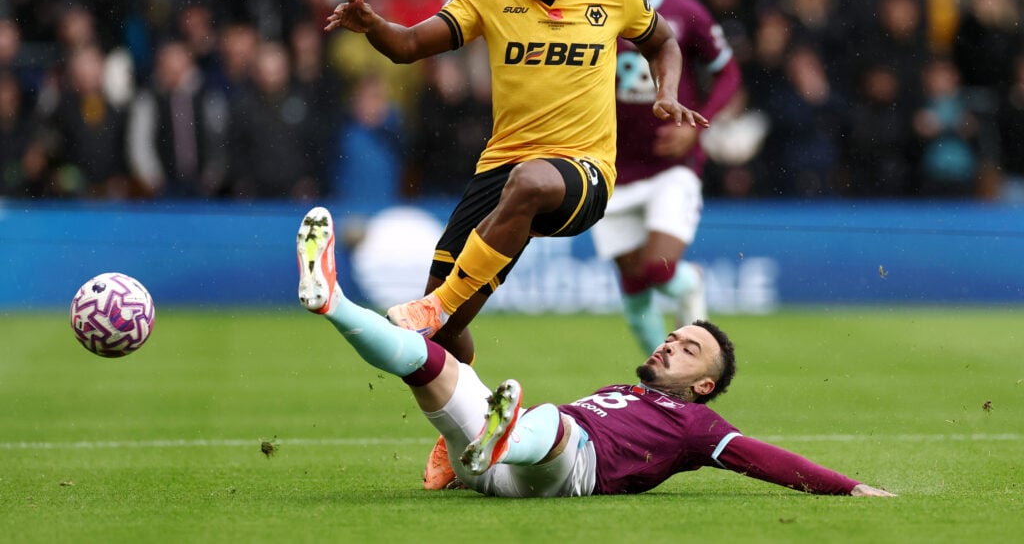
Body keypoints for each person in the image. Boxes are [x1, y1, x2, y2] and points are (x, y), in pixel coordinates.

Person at [324, 0, 703, 490]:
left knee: (465, 271)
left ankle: (438, 305)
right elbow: (410, 45)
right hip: (500, 170)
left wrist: (667, 92)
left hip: (583, 173)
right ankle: (462, 429)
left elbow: (663, 42)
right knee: (443, 337)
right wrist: (373, 25)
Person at [295, 206, 896, 499]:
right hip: (497, 468)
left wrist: (849, 488)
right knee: (429, 364)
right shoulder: (628, 392)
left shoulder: (696, 425)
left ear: (704, 386)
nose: (668, 344)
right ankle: (333, 302)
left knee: (559, 424)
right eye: (672, 337)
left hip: (564, 469)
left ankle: (502, 436)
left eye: (688, 349)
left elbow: (762, 458)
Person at [591, 0, 741, 355]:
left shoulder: (684, 11)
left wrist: (697, 127)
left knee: (658, 269)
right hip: (610, 169)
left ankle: (691, 286)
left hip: (672, 165)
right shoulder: (592, 11)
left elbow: (728, 73)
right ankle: (666, 383)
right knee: (634, 286)